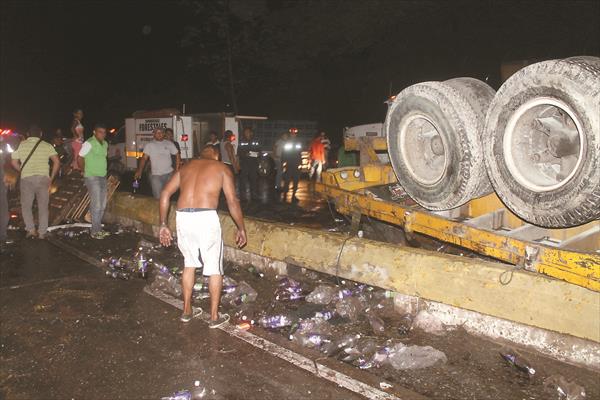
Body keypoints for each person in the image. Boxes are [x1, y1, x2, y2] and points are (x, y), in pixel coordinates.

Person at [158, 145, 247, 327]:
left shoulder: (185, 168)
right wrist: (241, 228)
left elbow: (165, 193)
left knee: (189, 263)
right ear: (216, 154)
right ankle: (214, 316)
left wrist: (163, 224)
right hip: (206, 217)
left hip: (183, 216)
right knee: (214, 267)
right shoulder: (221, 168)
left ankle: (186, 311)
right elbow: (232, 200)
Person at [10, 125, 60, 239]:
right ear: (41, 135)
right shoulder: (47, 145)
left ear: (28, 134)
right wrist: (51, 178)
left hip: (27, 179)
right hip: (43, 178)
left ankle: (31, 230)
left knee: (26, 205)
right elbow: (57, 162)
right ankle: (42, 232)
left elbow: (13, 162)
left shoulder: (21, 145)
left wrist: (22, 170)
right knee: (43, 206)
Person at [78, 123, 109, 239]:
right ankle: (95, 231)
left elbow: (103, 158)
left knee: (103, 204)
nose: (103, 134)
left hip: (102, 176)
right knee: (96, 204)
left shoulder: (105, 144)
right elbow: (80, 158)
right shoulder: (89, 143)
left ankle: (97, 228)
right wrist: (83, 171)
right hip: (92, 176)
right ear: (94, 132)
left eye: (104, 132)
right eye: (100, 132)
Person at [134, 128, 180, 199]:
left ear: (164, 134)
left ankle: (166, 208)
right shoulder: (149, 145)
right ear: (154, 134)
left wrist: (176, 170)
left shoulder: (169, 143)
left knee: (167, 195)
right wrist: (139, 171)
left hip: (169, 174)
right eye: (157, 132)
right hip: (156, 176)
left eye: (161, 132)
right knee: (158, 197)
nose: (159, 134)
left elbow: (177, 154)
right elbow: (144, 159)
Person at [237, 127, 260, 201]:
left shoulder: (256, 141)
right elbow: (239, 153)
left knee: (254, 179)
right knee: (243, 180)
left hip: (254, 163)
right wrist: (244, 154)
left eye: (248, 132)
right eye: (245, 132)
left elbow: (259, 151)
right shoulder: (241, 141)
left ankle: (254, 195)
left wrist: (258, 154)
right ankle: (242, 196)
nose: (246, 133)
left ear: (251, 133)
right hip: (244, 164)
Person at [282, 129, 303, 200]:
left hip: (296, 164)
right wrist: (284, 163)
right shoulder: (287, 142)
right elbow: (284, 153)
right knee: (287, 179)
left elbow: (300, 153)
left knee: (296, 180)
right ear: (290, 134)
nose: (293, 135)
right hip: (289, 164)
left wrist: (301, 163)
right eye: (292, 133)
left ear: (296, 134)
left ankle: (293, 195)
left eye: (294, 134)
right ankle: (285, 195)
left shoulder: (298, 142)